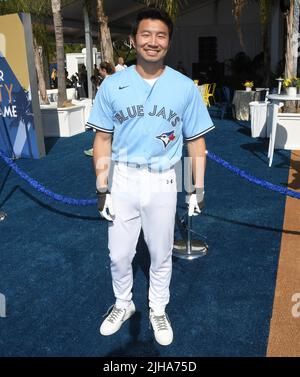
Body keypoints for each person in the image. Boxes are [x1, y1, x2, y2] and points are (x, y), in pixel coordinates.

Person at [87, 8, 214, 346]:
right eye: (146, 34)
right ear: (133, 40)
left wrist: (195, 188)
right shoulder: (112, 85)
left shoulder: (184, 87)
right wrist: (103, 188)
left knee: (159, 253)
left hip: (163, 180)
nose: (152, 42)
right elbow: (102, 139)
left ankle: (158, 308)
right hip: (123, 178)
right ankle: (123, 303)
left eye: (160, 36)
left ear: (168, 43)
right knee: (118, 254)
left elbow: (195, 141)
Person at [84, 62, 115, 156]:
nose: (99, 72)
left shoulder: (107, 83)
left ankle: (98, 150)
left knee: (102, 134)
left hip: (107, 113)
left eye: (100, 70)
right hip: (113, 112)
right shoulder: (114, 80)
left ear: (104, 70)